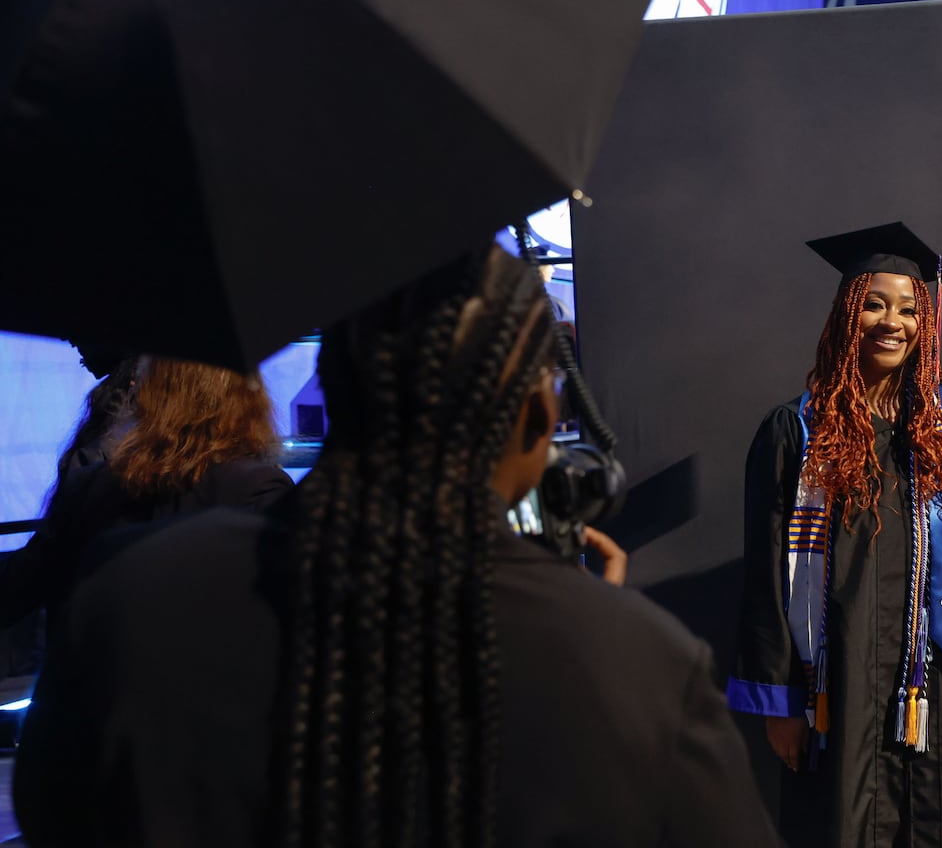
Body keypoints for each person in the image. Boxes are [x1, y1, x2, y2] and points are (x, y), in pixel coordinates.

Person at [14, 246, 775, 848]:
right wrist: (591, 629)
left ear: (332, 389)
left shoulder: (130, 598)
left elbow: (54, 813)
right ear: (538, 419)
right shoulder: (640, 668)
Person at [728, 222, 942, 848]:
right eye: (874, 303)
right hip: (840, 678)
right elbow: (767, 571)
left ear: (925, 322)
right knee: (845, 822)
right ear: (847, 314)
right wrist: (781, 703)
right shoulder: (796, 432)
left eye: (907, 308)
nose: (891, 321)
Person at [0, 356, 292, 626]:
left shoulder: (89, 488)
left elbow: (21, 584)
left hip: (106, 676)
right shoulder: (262, 491)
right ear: (247, 400)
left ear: (156, 397)